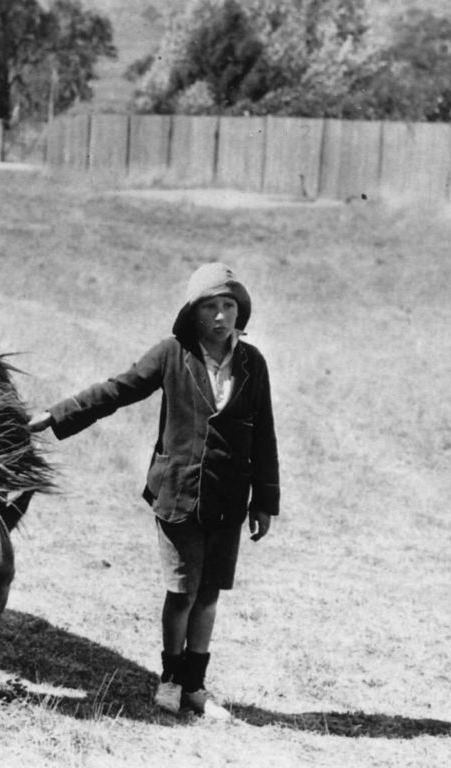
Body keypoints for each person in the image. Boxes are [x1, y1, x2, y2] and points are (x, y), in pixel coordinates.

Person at [29, 262, 280, 720]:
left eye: (229, 306)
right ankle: (169, 678)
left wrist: (264, 500)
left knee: (208, 595)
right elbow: (119, 389)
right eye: (211, 307)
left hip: (228, 500)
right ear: (193, 313)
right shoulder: (172, 353)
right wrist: (59, 414)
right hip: (178, 495)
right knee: (181, 591)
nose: (221, 316)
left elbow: (264, 432)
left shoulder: (252, 363)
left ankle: (195, 687)